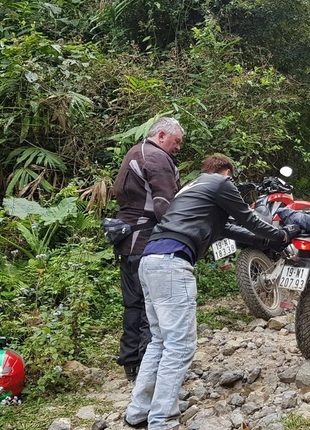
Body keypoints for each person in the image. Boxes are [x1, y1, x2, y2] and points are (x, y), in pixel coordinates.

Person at [124, 154, 296, 430]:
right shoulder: (221, 183)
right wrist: (283, 235)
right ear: (228, 171)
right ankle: (162, 420)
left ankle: (138, 411)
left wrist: (270, 242)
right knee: (180, 346)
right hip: (171, 263)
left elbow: (234, 230)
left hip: (149, 260)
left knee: (159, 341)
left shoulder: (191, 190)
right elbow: (248, 218)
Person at [113, 117, 184, 382]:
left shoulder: (134, 152)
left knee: (132, 305)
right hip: (146, 243)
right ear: (163, 135)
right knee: (149, 308)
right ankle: (147, 367)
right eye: (176, 141)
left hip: (126, 241)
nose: (177, 148)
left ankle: (131, 364)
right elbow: (165, 205)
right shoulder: (156, 158)